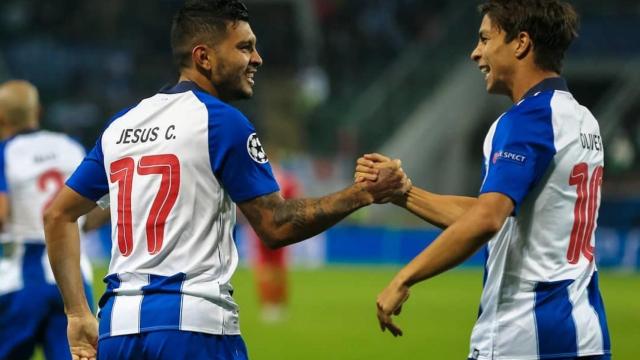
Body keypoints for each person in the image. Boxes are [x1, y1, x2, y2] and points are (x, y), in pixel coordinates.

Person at [42, 1, 409, 359]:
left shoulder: (121, 125)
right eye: (245, 47)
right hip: (193, 329)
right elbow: (276, 225)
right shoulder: (221, 121)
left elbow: (57, 215)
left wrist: (77, 313)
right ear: (204, 57)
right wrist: (363, 193)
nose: (257, 58)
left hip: (117, 329)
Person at [356, 1, 611, 359]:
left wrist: (404, 277)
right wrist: (404, 193)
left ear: (521, 43)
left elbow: (487, 220)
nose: (476, 53)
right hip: (585, 333)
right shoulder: (582, 119)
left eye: (485, 39)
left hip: (525, 335)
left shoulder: (526, 119)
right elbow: (497, 214)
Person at [0, 80, 95, 360]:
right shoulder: (70, 146)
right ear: (38, 111)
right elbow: (101, 206)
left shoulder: (4, 152)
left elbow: (2, 214)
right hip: (73, 277)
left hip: (21, 277)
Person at [248, 161, 301, 323]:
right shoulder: (286, 179)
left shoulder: (257, 176)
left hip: (260, 228)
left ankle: (268, 306)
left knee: (265, 267)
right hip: (282, 229)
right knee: (277, 267)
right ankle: (277, 305)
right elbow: (295, 202)